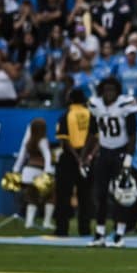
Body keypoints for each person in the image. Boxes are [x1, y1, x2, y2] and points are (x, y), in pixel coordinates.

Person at [85, 77, 137, 247]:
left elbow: (132, 134)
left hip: (120, 153)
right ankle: (99, 233)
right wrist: (84, 157)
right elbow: (92, 133)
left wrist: (129, 158)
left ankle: (119, 234)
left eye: (112, 90)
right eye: (106, 90)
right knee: (100, 194)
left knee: (122, 195)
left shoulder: (125, 105)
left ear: (117, 91)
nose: (109, 94)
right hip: (104, 152)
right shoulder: (95, 105)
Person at [54, 87, 95, 237]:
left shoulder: (66, 115)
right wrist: (88, 157)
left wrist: (78, 159)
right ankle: (85, 229)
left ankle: (61, 229)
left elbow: (64, 141)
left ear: (70, 99)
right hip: (88, 157)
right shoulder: (90, 114)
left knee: (64, 196)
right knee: (86, 196)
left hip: (70, 158)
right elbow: (96, 138)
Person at [10, 118, 54, 231]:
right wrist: (48, 170)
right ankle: (47, 222)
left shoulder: (27, 142)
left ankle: (29, 222)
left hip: (27, 172)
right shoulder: (43, 141)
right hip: (40, 171)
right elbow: (47, 155)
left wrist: (15, 169)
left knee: (31, 198)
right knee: (50, 197)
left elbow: (22, 157)